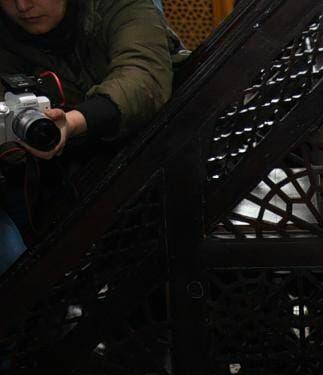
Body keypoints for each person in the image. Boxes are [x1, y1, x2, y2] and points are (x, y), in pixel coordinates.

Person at [0, 0, 185, 271]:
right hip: (62, 185)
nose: (23, 6)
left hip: (167, 153)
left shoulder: (118, 5)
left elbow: (142, 77)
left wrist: (73, 122)